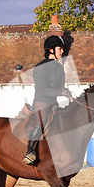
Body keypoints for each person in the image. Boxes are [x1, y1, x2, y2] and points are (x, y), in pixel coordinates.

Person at [23, 35, 71, 165]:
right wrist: (60, 92)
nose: (62, 51)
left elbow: (60, 87)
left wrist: (66, 92)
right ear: (51, 50)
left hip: (54, 103)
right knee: (41, 122)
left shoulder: (60, 67)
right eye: (59, 49)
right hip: (42, 102)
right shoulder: (40, 68)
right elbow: (42, 89)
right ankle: (30, 151)